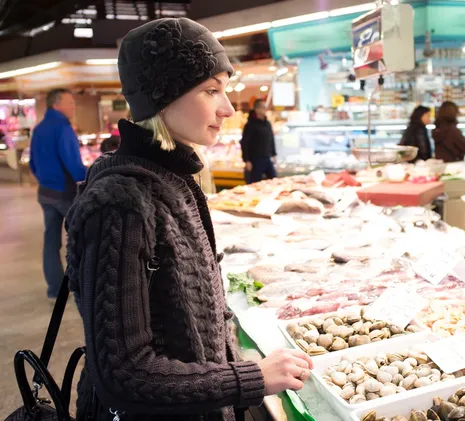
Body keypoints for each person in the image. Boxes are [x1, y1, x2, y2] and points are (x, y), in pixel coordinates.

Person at [65, 19, 312, 421]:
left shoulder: (174, 179)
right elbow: (123, 372)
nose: (228, 108)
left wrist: (236, 365)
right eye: (210, 91)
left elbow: (203, 307)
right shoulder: (121, 201)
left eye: (225, 90)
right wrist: (250, 379)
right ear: (162, 97)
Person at [29, 88, 86, 299]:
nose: (73, 107)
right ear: (56, 104)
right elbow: (73, 164)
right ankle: (84, 286)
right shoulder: (63, 128)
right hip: (65, 194)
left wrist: (46, 180)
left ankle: (54, 289)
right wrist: (88, 180)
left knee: (51, 241)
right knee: (82, 238)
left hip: (45, 193)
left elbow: (33, 163)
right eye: (70, 103)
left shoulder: (39, 128)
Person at [240, 99, 277, 184]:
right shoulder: (249, 125)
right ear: (257, 109)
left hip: (267, 158)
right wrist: (247, 160)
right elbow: (244, 143)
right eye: (263, 107)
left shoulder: (267, 123)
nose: (265, 109)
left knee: (274, 180)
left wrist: (274, 154)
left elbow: (271, 139)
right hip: (255, 160)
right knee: (254, 184)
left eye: (265, 107)